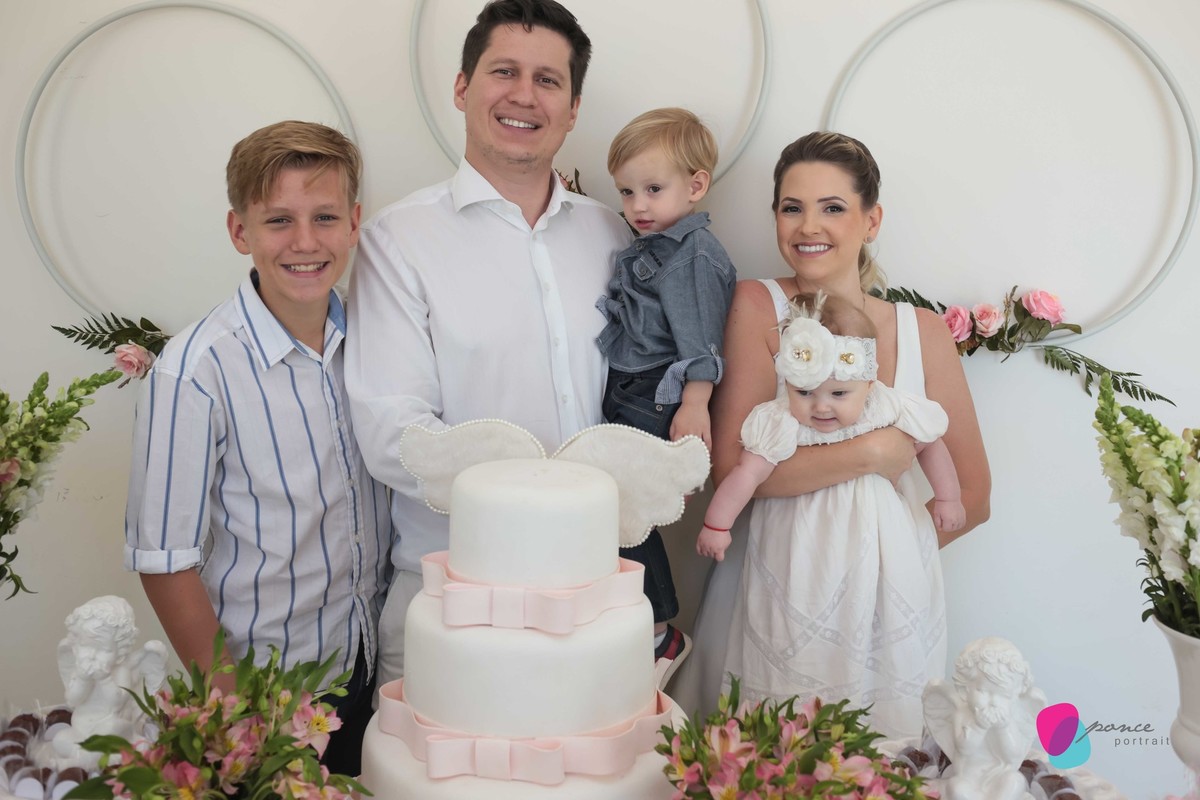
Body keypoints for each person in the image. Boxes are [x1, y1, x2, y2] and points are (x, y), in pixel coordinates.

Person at [345, 0, 632, 687]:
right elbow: (393, 435)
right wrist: (543, 501)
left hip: (596, 597)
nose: (524, 95)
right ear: (462, 87)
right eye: (504, 71)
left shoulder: (613, 236)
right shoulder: (398, 240)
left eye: (548, 80)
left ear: (573, 108)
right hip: (454, 603)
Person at [672, 131, 990, 729]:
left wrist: (875, 567)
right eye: (791, 207)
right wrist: (872, 453)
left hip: (886, 622)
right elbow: (734, 472)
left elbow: (973, 496)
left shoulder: (923, 332)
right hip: (766, 596)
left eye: (833, 207)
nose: (808, 226)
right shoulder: (757, 305)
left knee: (878, 759)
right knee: (761, 759)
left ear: (872, 221)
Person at [125, 120, 391, 775]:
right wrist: (233, 711)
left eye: (324, 217)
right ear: (239, 230)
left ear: (354, 223)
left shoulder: (380, 338)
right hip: (268, 692)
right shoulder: (194, 371)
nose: (305, 242)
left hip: (374, 663)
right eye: (278, 221)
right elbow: (164, 559)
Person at [694, 290, 963, 736]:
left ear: (869, 382)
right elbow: (745, 475)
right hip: (799, 555)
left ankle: (881, 737)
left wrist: (948, 497)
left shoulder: (886, 405)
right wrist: (716, 524)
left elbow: (930, 444)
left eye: (839, 393)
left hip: (877, 558)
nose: (821, 406)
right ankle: (792, 733)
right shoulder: (781, 420)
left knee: (879, 641)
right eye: (805, 392)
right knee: (797, 637)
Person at [597, 107, 736, 684]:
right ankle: (636, 620)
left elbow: (701, 338)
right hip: (631, 387)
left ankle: (658, 629)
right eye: (627, 192)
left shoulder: (692, 254)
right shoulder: (656, 246)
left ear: (695, 185)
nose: (638, 206)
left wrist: (695, 404)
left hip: (656, 393)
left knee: (622, 507)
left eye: (653, 189)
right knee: (610, 505)